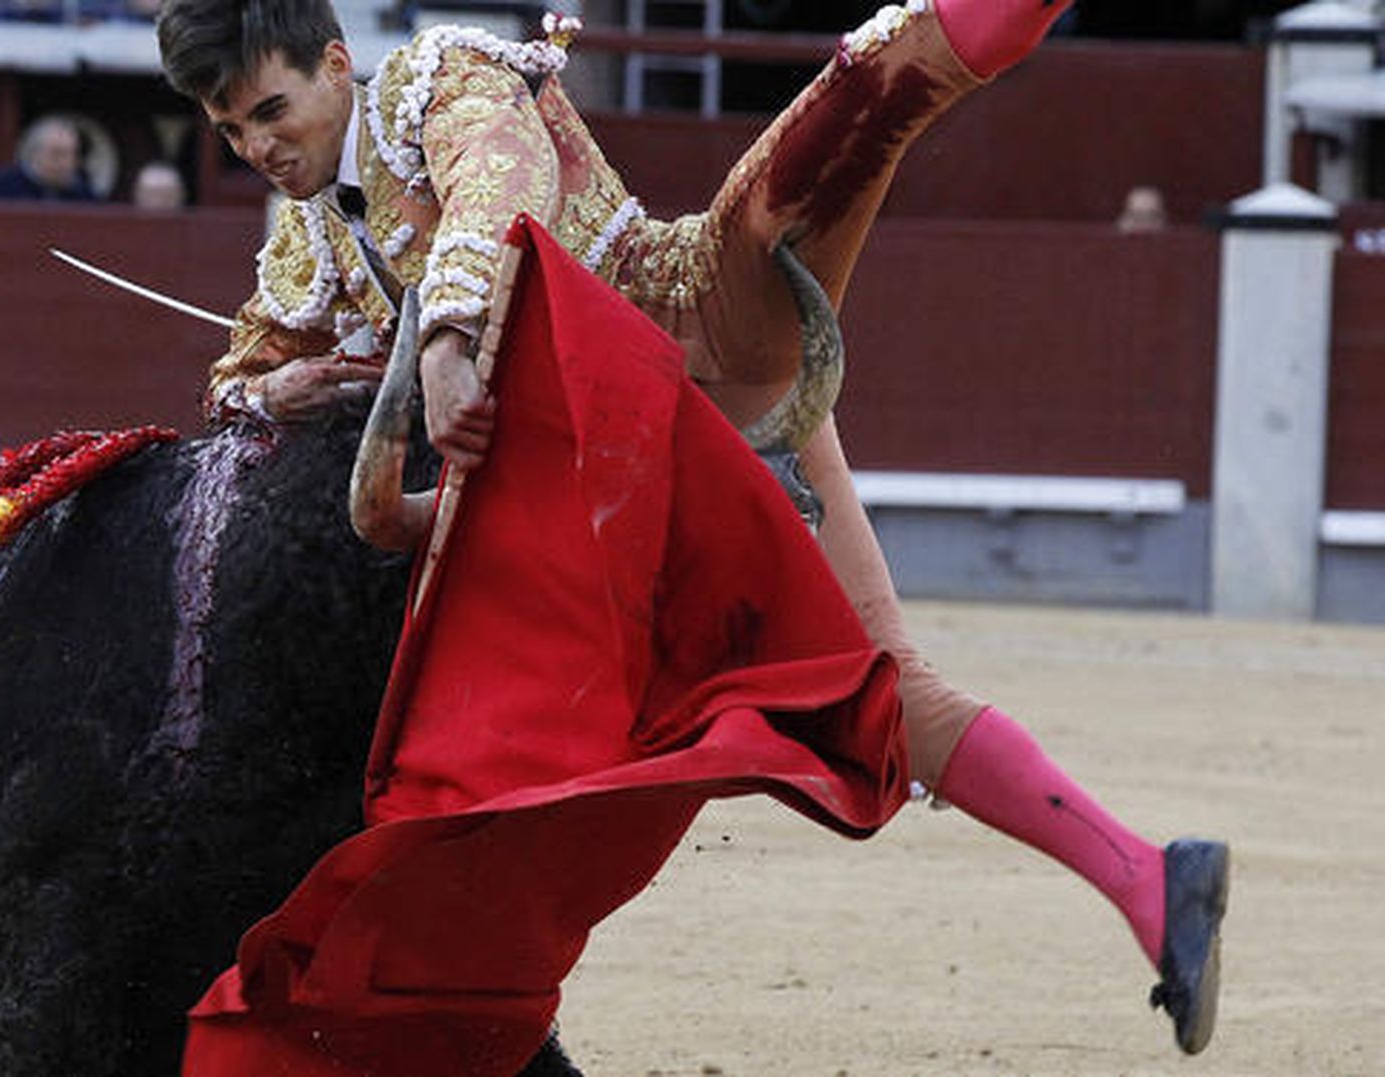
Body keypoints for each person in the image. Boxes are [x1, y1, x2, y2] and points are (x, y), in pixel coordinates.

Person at [156, 0, 1229, 1057]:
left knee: (866, 91)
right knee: (882, 701)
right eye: (230, 130)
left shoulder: (431, 83)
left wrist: (443, 338)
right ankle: (1152, 876)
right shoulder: (309, 241)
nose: (258, 147)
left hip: (691, 346)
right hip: (613, 490)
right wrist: (277, 387)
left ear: (334, 64)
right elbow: (237, 373)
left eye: (270, 110)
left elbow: (501, 181)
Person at [0, 115, 99, 201]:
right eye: (57, 154)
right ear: (34, 154)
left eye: (72, 154)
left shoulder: (83, 194)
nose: (66, 162)